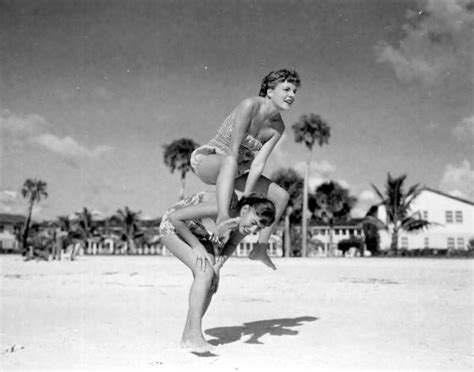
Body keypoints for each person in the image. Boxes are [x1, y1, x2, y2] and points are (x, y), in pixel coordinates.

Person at [190, 68, 300, 270]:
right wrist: (235, 205)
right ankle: (223, 217)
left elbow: (258, 164)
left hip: (237, 171)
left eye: (294, 91)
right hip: (211, 161)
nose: (292, 95)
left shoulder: (278, 128)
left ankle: (260, 248)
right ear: (269, 91)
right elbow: (232, 150)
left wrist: (247, 198)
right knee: (229, 161)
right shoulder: (249, 105)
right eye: (286, 89)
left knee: (281, 196)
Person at [159, 191, 276, 353]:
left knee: (211, 281)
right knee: (204, 273)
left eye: (259, 228)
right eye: (254, 223)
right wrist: (196, 246)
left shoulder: (244, 220)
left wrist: (218, 266)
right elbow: (175, 218)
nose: (253, 230)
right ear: (245, 209)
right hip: (173, 227)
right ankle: (194, 334)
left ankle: (188, 336)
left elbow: (233, 243)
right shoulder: (221, 207)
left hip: (200, 233)